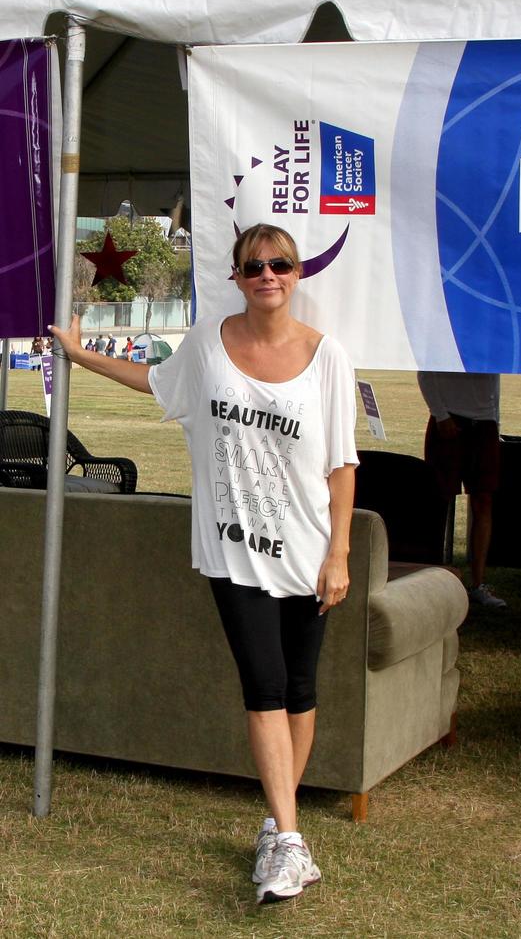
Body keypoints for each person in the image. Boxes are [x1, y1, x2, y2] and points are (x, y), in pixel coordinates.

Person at [50, 223, 358, 905]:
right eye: (254, 266)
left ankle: (283, 828)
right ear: (237, 275)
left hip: (308, 551)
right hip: (233, 548)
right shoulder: (209, 346)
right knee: (264, 685)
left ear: (297, 272)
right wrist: (77, 353)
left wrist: (338, 552)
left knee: (301, 688)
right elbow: (154, 383)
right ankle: (288, 842)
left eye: (279, 264)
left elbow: (342, 463)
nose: (267, 275)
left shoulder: (326, 355)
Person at [417, 371, 506, 609]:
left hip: (484, 423)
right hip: (449, 420)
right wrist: (440, 414)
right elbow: (425, 371)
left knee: (483, 500)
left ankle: (478, 583)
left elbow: (494, 379)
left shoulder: (492, 338)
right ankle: (430, 576)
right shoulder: (448, 336)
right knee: (440, 499)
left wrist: (495, 421)